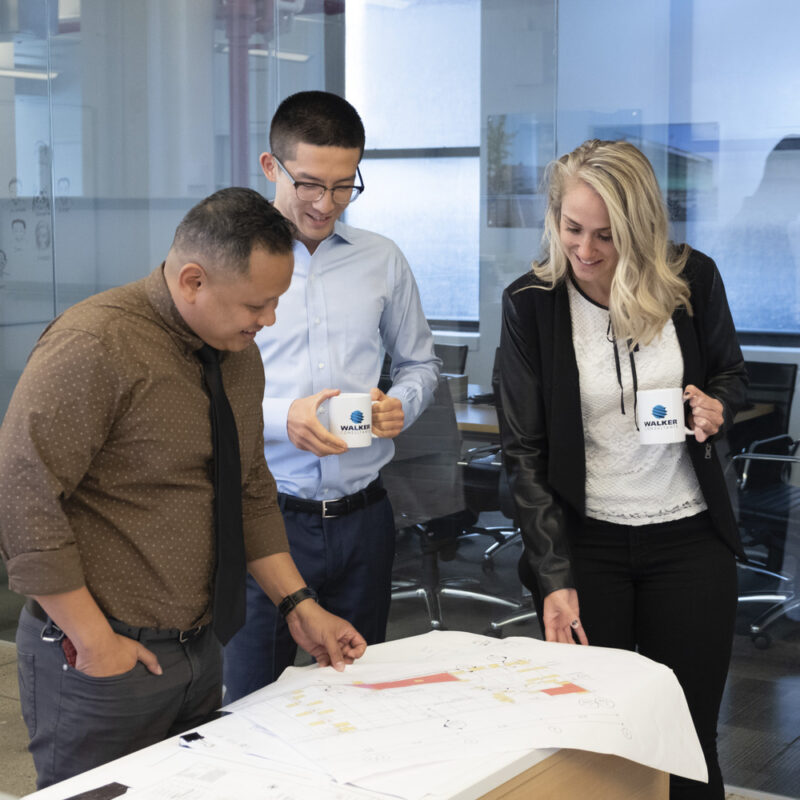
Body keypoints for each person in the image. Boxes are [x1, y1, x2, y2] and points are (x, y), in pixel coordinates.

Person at [0, 187, 367, 789]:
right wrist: (95, 643)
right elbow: (22, 499)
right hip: (103, 655)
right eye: (258, 303)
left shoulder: (238, 356)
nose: (269, 319)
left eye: (277, 301)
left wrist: (300, 606)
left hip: (201, 648)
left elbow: (248, 489)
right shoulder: (96, 344)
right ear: (193, 280)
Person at [496, 139, 747, 800]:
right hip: (585, 546)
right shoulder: (530, 303)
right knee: (593, 743)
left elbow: (732, 374)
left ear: (639, 229)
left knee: (688, 740)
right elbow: (523, 451)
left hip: (689, 541)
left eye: (605, 235)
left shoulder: (693, 280)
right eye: (571, 228)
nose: (584, 249)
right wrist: (553, 577)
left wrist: (714, 404)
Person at [223, 91, 439, 702]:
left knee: (355, 702)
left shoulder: (382, 259)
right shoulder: (228, 261)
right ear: (272, 168)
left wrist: (404, 402)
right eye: (311, 184)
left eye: (345, 186)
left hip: (363, 520)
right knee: (251, 703)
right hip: (265, 518)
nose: (326, 204)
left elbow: (421, 363)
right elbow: (199, 391)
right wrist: (278, 419)